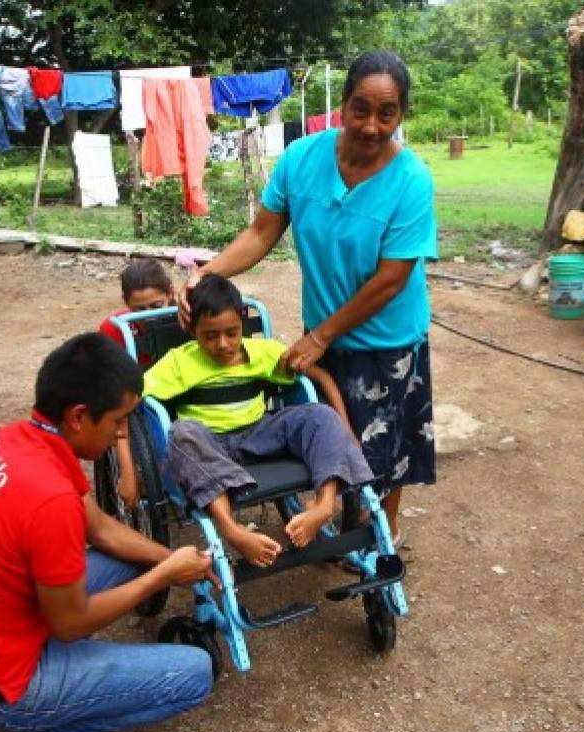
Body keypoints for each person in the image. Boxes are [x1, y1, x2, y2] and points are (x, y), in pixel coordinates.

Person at [0, 334, 216, 732]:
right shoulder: (48, 501)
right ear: (78, 416)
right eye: (118, 421)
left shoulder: (19, 438)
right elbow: (70, 623)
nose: (121, 435)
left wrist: (168, 560)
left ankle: (51, 687)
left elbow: (102, 529)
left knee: (132, 562)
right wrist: (166, 575)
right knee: (194, 675)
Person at [178, 50, 438, 547]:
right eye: (361, 108)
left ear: (401, 114)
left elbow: (390, 279)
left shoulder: (411, 181)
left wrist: (320, 336)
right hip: (324, 332)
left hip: (386, 338)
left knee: (384, 445)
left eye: (388, 113)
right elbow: (260, 234)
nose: (371, 125)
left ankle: (382, 532)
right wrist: (206, 273)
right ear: (343, 104)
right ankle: (340, 519)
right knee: (331, 433)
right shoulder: (301, 160)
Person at [146, 273, 374, 567]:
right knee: (182, 432)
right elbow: (132, 399)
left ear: (242, 322)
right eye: (210, 336)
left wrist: (345, 429)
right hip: (209, 444)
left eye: (232, 332)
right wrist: (127, 465)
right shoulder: (179, 362)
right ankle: (232, 530)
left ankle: (324, 504)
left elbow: (321, 377)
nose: (224, 344)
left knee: (319, 414)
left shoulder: (263, 353)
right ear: (192, 331)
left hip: (258, 434)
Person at [97, 258, 175, 507]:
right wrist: (127, 472)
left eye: (156, 305)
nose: (148, 317)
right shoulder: (114, 331)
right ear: (126, 304)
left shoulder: (186, 319)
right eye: (139, 310)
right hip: (135, 400)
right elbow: (117, 404)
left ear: (170, 294)